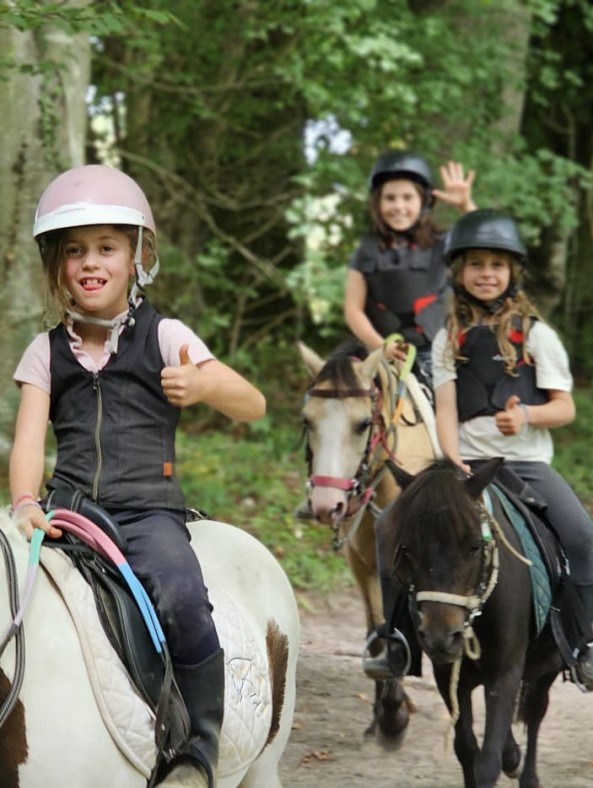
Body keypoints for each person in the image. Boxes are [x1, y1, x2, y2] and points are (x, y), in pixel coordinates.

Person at [9, 164, 266, 784]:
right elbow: (27, 441)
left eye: (106, 248)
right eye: (74, 251)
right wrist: (23, 500)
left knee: (181, 597)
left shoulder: (167, 335)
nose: (90, 262)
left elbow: (252, 404)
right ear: (58, 265)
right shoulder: (45, 351)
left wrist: (204, 383)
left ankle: (201, 741)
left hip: (147, 509)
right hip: (69, 507)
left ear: (137, 258)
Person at [431, 207, 593, 691]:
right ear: (459, 272)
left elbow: (564, 409)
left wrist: (526, 415)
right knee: (400, 529)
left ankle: (584, 644)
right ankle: (395, 640)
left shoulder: (538, 335)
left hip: (525, 464)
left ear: (512, 272)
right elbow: (443, 407)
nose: (486, 274)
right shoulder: (447, 339)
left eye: (496, 265)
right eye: (476, 264)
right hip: (465, 464)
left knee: (584, 538)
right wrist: (450, 456)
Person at [344, 150, 477, 377]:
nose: (398, 206)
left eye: (407, 198)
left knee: (459, 397)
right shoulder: (366, 250)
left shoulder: (444, 243)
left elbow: (483, 238)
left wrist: (465, 206)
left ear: (424, 201)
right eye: (390, 198)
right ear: (378, 202)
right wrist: (380, 346)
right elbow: (353, 309)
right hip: (377, 351)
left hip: (431, 352)